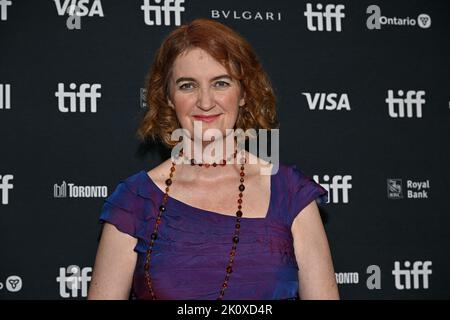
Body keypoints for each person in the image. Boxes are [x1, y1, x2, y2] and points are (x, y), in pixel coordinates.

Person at [87, 18, 339, 300]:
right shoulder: (135, 201)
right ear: (168, 97)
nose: (205, 102)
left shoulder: (291, 193)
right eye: (187, 86)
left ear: (243, 93)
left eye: (221, 83)